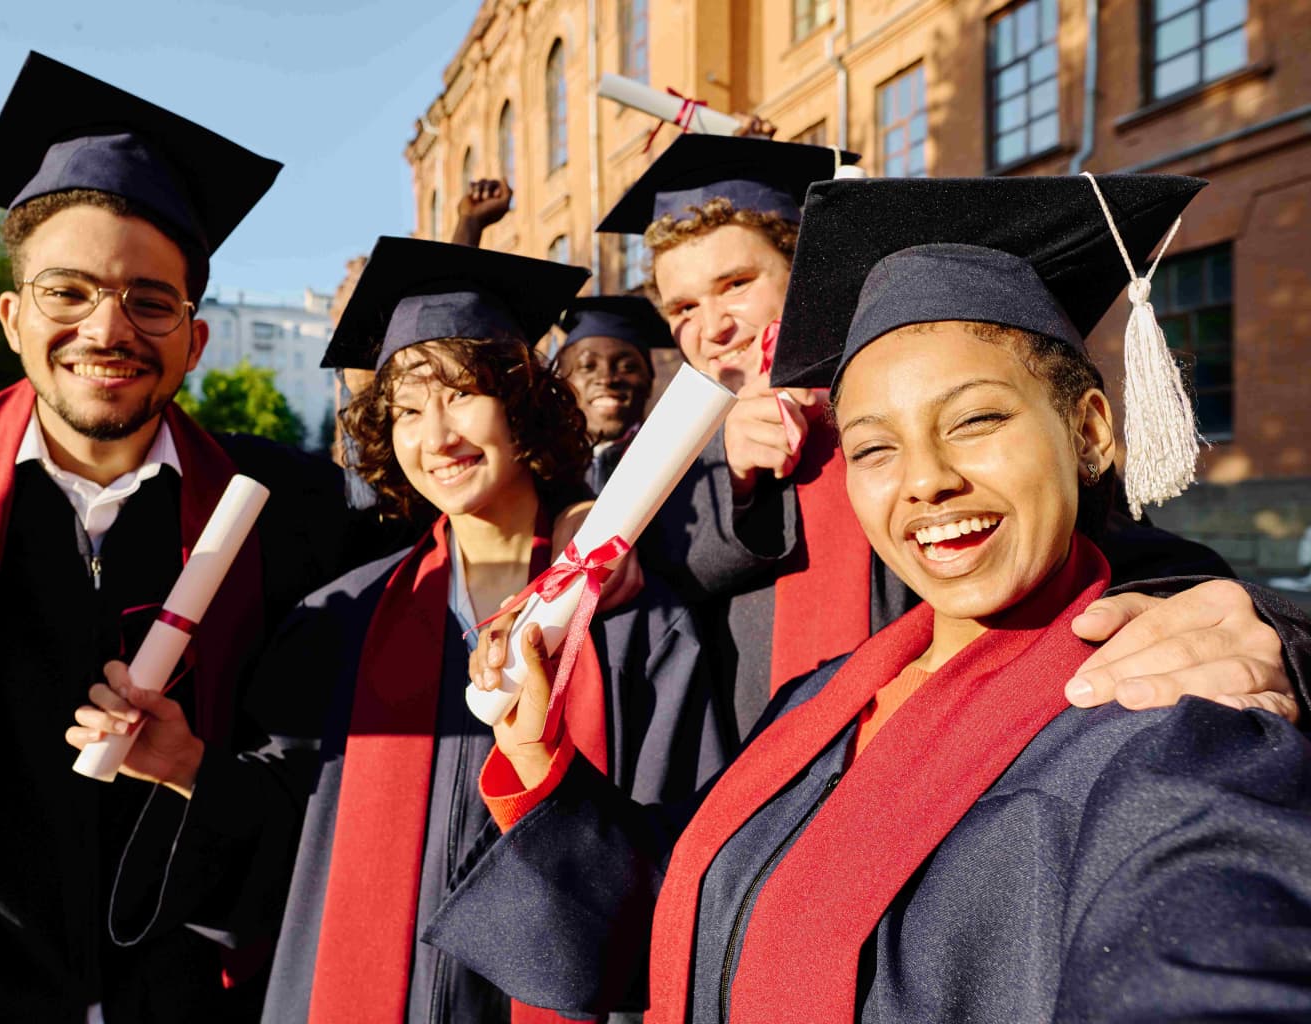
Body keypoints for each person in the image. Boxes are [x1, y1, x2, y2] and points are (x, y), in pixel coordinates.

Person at [436, 172, 1311, 1022]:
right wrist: (538, 757)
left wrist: (1288, 630)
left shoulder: (1158, 704)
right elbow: (699, 906)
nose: (925, 480)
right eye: (874, 448)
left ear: (1088, 430)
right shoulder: (817, 698)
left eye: (976, 420)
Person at [0, 53, 355, 1022]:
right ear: (10, 317)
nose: (108, 326)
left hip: (183, 999)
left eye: (150, 300)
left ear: (195, 338)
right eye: (67, 292)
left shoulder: (293, 513)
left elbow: (327, 791)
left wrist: (194, 772)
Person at [66, 236, 727, 1023]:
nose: (436, 435)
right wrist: (188, 768)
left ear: (521, 401)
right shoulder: (336, 622)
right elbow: (290, 850)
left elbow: (689, 864)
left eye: (463, 394)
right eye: (408, 409)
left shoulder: (638, 626)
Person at [600, 133, 1305, 739]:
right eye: (683, 307)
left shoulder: (937, 392)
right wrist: (732, 480)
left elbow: (1122, 558)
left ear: (807, 277)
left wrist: (1264, 627)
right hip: (770, 777)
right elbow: (649, 607)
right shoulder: (675, 468)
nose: (712, 324)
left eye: (736, 284)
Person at [554, 295, 676, 493]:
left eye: (627, 367)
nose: (607, 378)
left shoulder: (679, 461)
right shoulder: (541, 473)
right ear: (563, 381)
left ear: (649, 379)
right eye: (588, 366)